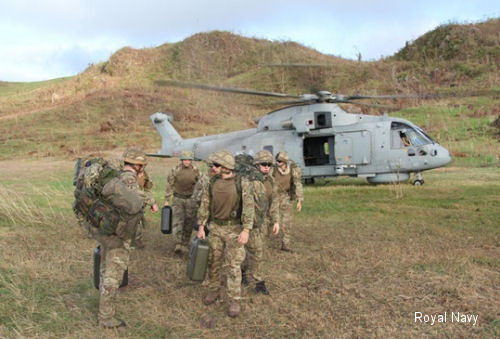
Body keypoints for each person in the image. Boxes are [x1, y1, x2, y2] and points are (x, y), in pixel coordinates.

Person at [92, 146, 148, 328]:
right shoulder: (129, 181)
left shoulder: (113, 176)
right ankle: (106, 317)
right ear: (138, 165)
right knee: (113, 275)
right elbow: (136, 205)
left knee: (104, 268)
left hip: (106, 231)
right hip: (119, 234)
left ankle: (103, 303)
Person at [197, 150, 254, 318]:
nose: (213, 168)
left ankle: (234, 299)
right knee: (212, 262)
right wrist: (201, 226)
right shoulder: (211, 182)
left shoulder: (241, 183)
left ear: (226, 167)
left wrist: (246, 230)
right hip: (215, 228)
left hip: (234, 230)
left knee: (233, 266)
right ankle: (213, 290)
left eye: (216, 165)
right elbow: (205, 204)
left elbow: (249, 207)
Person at [243, 150, 280, 295]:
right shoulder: (249, 181)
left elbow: (274, 202)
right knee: (257, 252)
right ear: (257, 165)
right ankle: (259, 283)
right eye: (263, 164)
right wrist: (246, 226)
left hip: (263, 223)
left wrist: (276, 220)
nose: (266, 167)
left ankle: (242, 271)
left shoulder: (270, 181)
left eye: (269, 164)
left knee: (254, 251)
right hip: (251, 223)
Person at [164, 150, 200, 254]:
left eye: (189, 160)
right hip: (178, 199)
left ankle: (185, 243)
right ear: (182, 160)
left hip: (191, 200)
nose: (187, 162)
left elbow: (201, 184)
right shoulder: (175, 170)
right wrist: (167, 200)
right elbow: (170, 185)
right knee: (177, 221)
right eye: (185, 159)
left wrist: (199, 199)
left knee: (189, 222)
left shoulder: (196, 171)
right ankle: (178, 243)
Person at [123, 148, 159, 249]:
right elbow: (136, 192)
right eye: (141, 165)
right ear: (135, 165)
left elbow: (146, 188)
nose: (143, 167)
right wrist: (152, 202)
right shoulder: (128, 177)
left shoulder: (142, 174)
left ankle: (135, 241)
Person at [271, 150, 303, 252]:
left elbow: (298, 184)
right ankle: (261, 243)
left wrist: (299, 200)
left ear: (285, 162)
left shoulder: (292, 170)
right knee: (271, 220)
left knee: (287, 221)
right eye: (277, 161)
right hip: (274, 197)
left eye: (280, 161)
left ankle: (286, 244)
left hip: (285, 196)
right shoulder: (273, 170)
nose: (277, 163)